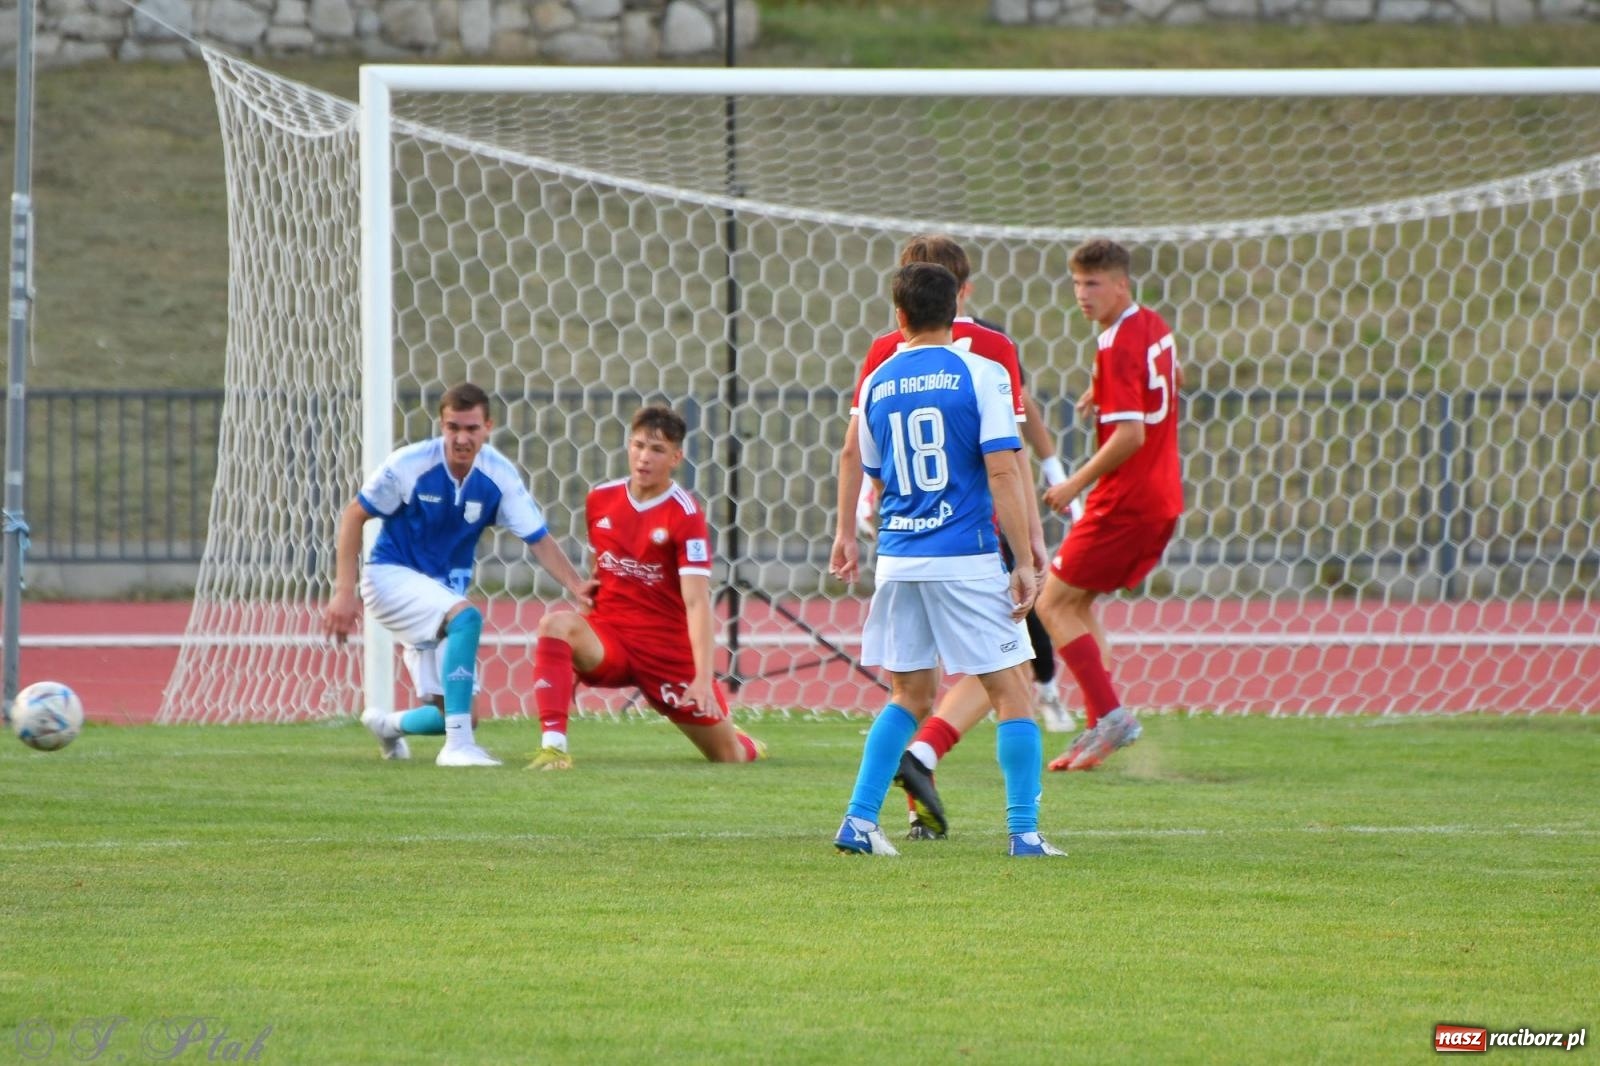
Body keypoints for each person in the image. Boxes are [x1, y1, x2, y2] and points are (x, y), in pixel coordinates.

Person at [830, 233, 1067, 842]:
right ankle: (1024, 833)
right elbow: (1001, 467)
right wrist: (1022, 557)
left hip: (900, 556)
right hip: (965, 553)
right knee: (1013, 689)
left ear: (900, 314)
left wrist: (846, 534)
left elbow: (870, 469)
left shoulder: (878, 381)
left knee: (908, 695)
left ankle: (858, 820)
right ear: (959, 303)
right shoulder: (982, 369)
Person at [323, 383, 590, 767]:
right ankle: (457, 749)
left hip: (439, 595)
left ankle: (387, 724)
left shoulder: (498, 474)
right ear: (441, 426)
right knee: (467, 617)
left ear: (488, 427)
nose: (462, 438)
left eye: (471, 428)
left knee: (460, 712)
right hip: (390, 579)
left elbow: (538, 538)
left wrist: (577, 585)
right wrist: (343, 591)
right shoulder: (410, 464)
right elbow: (354, 515)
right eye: (453, 428)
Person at [525, 405, 765, 769]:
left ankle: (742, 741)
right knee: (555, 625)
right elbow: (599, 569)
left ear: (676, 457)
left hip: (666, 654)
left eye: (656, 450)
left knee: (728, 757)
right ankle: (554, 748)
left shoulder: (685, 514)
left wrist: (702, 678)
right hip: (612, 640)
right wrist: (575, 640)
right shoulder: (600, 499)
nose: (643, 457)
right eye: (638, 446)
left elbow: (697, 603)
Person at [1037, 237, 1184, 772]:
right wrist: (1101, 389)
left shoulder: (1114, 344)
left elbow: (1129, 437)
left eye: (1092, 283)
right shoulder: (1154, 327)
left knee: (1049, 605)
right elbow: (1169, 381)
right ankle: (1101, 723)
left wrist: (1073, 484)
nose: (1082, 293)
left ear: (1121, 283)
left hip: (1126, 500)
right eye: (1076, 282)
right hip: (1161, 497)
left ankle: (1110, 718)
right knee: (1075, 605)